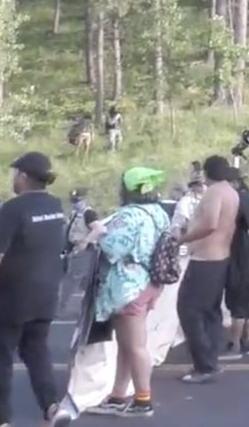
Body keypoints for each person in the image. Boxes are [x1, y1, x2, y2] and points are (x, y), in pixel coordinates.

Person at [0, 151, 69, 427]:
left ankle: (0, 420)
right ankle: (51, 407)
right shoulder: (55, 206)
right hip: (44, 295)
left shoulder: (13, 209)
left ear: (23, 176)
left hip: (7, 297)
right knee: (37, 352)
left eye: (16, 174)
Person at [85, 167, 172, 418]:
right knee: (127, 345)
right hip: (149, 282)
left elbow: (113, 248)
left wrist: (99, 232)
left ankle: (143, 400)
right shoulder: (159, 214)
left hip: (127, 286)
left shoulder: (129, 215)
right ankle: (117, 395)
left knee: (135, 346)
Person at [175, 155, 238, 384]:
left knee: (188, 310)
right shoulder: (231, 192)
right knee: (211, 312)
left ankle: (204, 366)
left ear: (208, 173)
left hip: (205, 258)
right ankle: (210, 360)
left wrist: (184, 239)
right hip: (221, 257)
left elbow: (210, 223)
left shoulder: (213, 192)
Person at [221, 176, 249, 360]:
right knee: (246, 302)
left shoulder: (237, 201)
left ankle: (234, 344)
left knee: (237, 302)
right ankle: (247, 341)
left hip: (240, 258)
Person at [59, 188, 101, 314]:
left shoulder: (89, 214)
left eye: (78, 201)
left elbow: (99, 229)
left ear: (84, 200)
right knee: (79, 280)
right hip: (74, 250)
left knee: (72, 280)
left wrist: (86, 241)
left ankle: (62, 306)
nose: (75, 203)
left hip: (84, 251)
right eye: (74, 201)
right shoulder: (75, 214)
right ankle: (83, 307)